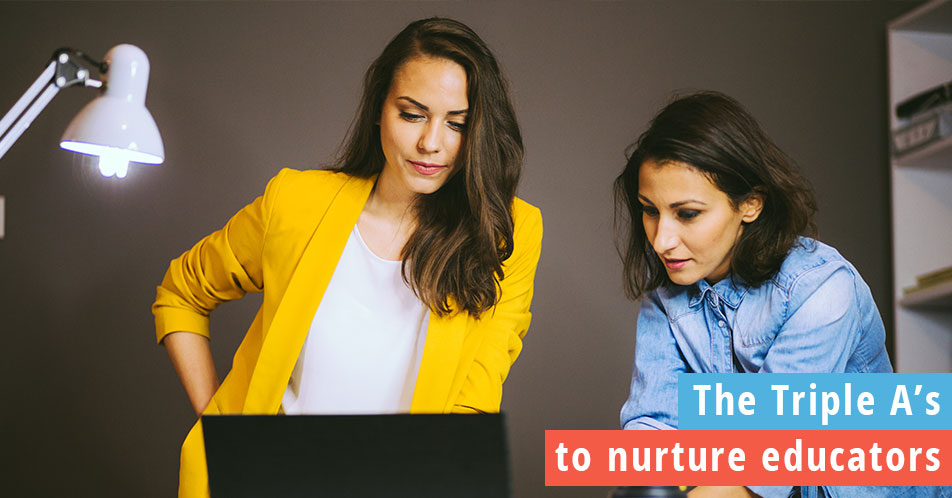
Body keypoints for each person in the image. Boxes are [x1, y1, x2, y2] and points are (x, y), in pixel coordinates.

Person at [152, 18, 542, 498]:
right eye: (412, 114)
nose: (431, 143)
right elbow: (181, 293)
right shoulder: (296, 202)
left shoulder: (506, 235)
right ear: (380, 108)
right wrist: (226, 425)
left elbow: (474, 404)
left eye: (457, 123)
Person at [612, 92, 941, 498]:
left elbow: (761, 465)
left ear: (750, 203)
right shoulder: (665, 300)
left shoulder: (822, 290)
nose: (662, 240)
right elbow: (655, 429)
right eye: (650, 210)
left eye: (688, 213)